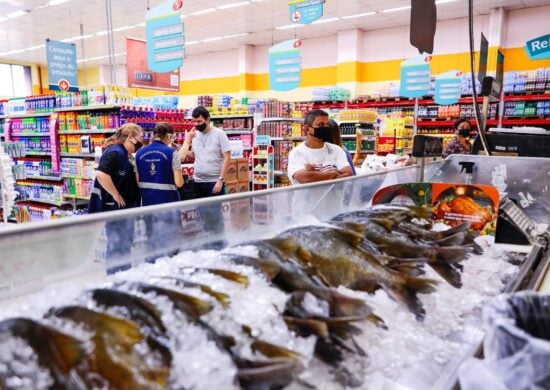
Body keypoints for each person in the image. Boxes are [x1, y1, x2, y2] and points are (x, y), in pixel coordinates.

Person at [88, 123, 143, 274]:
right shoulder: (116, 152)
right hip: (117, 207)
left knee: (124, 243)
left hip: (125, 206)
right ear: (130, 138)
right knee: (117, 243)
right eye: (140, 138)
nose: (141, 142)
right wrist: (115, 194)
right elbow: (101, 173)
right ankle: (115, 276)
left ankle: (124, 273)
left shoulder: (124, 153)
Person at [135, 122, 185, 262]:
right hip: (168, 202)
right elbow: (179, 182)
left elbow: (137, 179)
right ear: (168, 136)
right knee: (171, 238)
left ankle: (152, 266)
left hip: (148, 202)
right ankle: (169, 266)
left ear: (153, 135)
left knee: (151, 238)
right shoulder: (173, 154)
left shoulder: (139, 153)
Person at [178, 106, 231, 234]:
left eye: (199, 121)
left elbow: (227, 157)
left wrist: (220, 180)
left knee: (214, 216)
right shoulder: (194, 135)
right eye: (194, 122)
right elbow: (195, 155)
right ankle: (207, 241)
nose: (196, 124)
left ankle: (218, 242)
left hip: (214, 181)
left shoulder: (219, 134)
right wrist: (182, 147)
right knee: (202, 215)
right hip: (197, 181)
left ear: (208, 119)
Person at [287, 109, 353, 185]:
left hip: (332, 197)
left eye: (327, 124)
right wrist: (333, 174)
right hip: (307, 197)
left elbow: (348, 173)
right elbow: (305, 178)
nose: (325, 128)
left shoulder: (336, 150)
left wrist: (315, 174)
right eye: (321, 125)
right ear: (307, 129)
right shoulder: (297, 153)